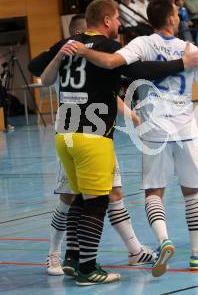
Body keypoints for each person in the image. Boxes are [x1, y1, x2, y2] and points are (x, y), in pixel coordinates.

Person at [39, 0, 198, 285]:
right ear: (106, 20)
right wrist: (183, 62)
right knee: (95, 203)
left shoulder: (68, 44)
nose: (120, 24)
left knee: (82, 198)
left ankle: (74, 257)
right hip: (92, 133)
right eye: (117, 18)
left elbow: (36, 67)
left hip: (64, 131)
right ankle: (84, 267)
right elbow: (140, 71)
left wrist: (60, 53)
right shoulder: (108, 47)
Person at [28, 15, 160, 276]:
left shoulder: (91, 59)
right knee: (72, 198)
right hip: (79, 132)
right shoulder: (74, 53)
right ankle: (57, 254)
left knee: (114, 193)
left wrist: (130, 115)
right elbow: (39, 71)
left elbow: (108, 91)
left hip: (92, 134)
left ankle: (133, 249)